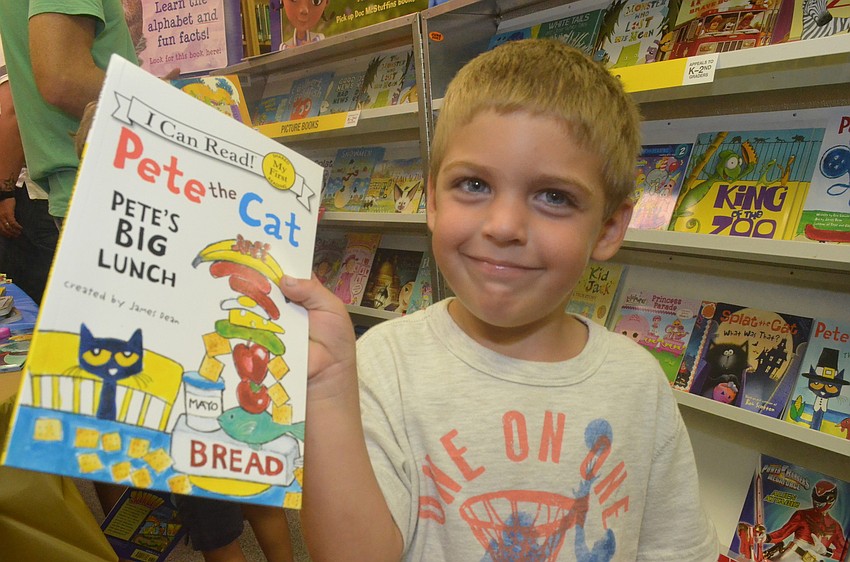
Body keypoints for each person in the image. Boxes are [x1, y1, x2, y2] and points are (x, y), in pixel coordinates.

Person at [280, 39, 720, 560]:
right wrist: (328, 392)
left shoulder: (639, 383)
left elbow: (676, 550)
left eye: (554, 197)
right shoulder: (382, 364)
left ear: (607, 228)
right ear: (433, 201)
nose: (505, 226)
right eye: (473, 184)